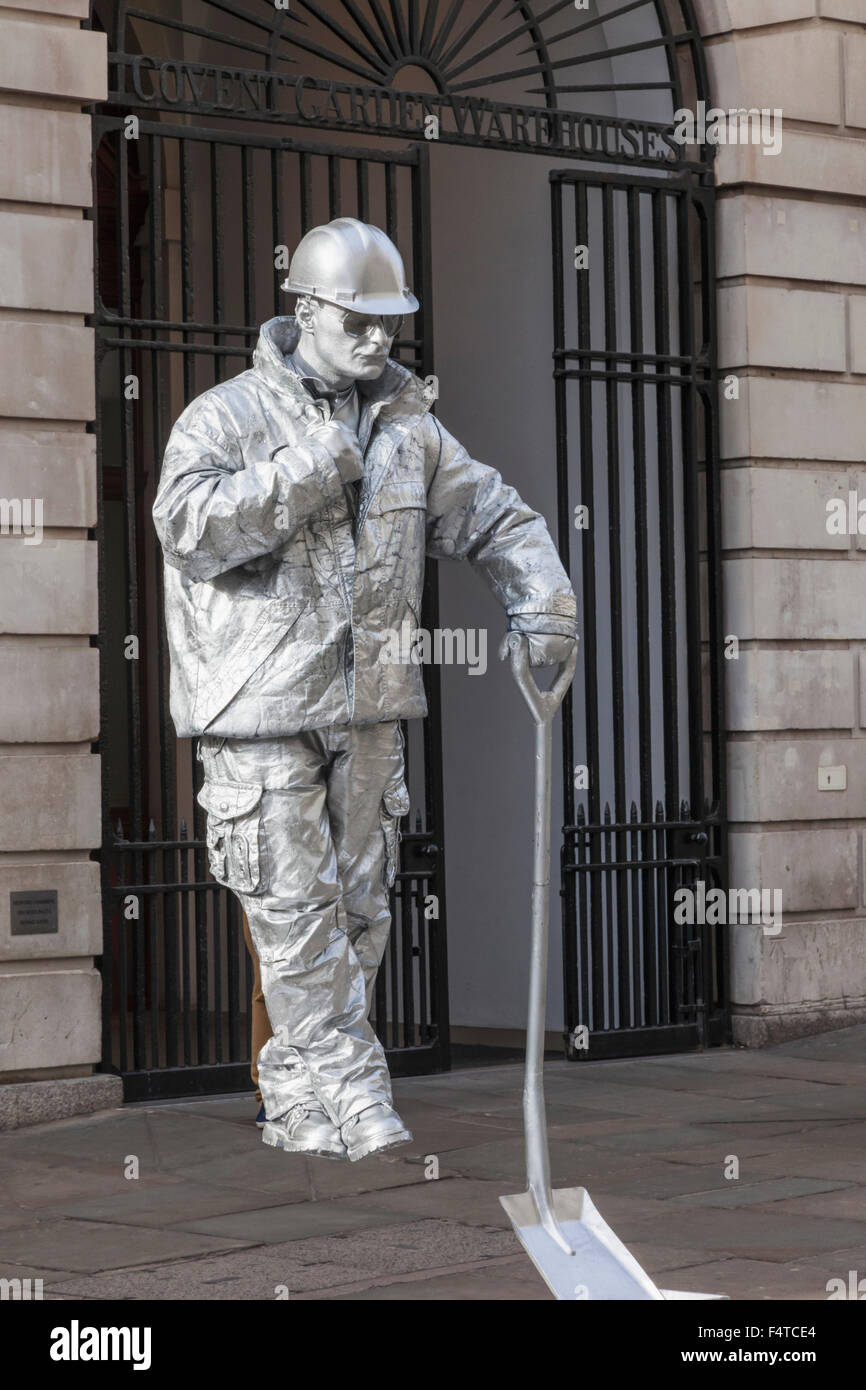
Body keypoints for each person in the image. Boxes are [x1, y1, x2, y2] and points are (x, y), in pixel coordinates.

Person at [152, 218, 577, 1161]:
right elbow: (187, 529)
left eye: (391, 319)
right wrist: (305, 471)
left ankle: (302, 1104)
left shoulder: (410, 428)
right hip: (257, 707)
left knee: (359, 912)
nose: (379, 337)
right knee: (295, 917)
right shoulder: (223, 416)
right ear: (305, 309)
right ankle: (357, 1090)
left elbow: (494, 516)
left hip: (373, 701)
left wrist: (543, 601)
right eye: (358, 317)